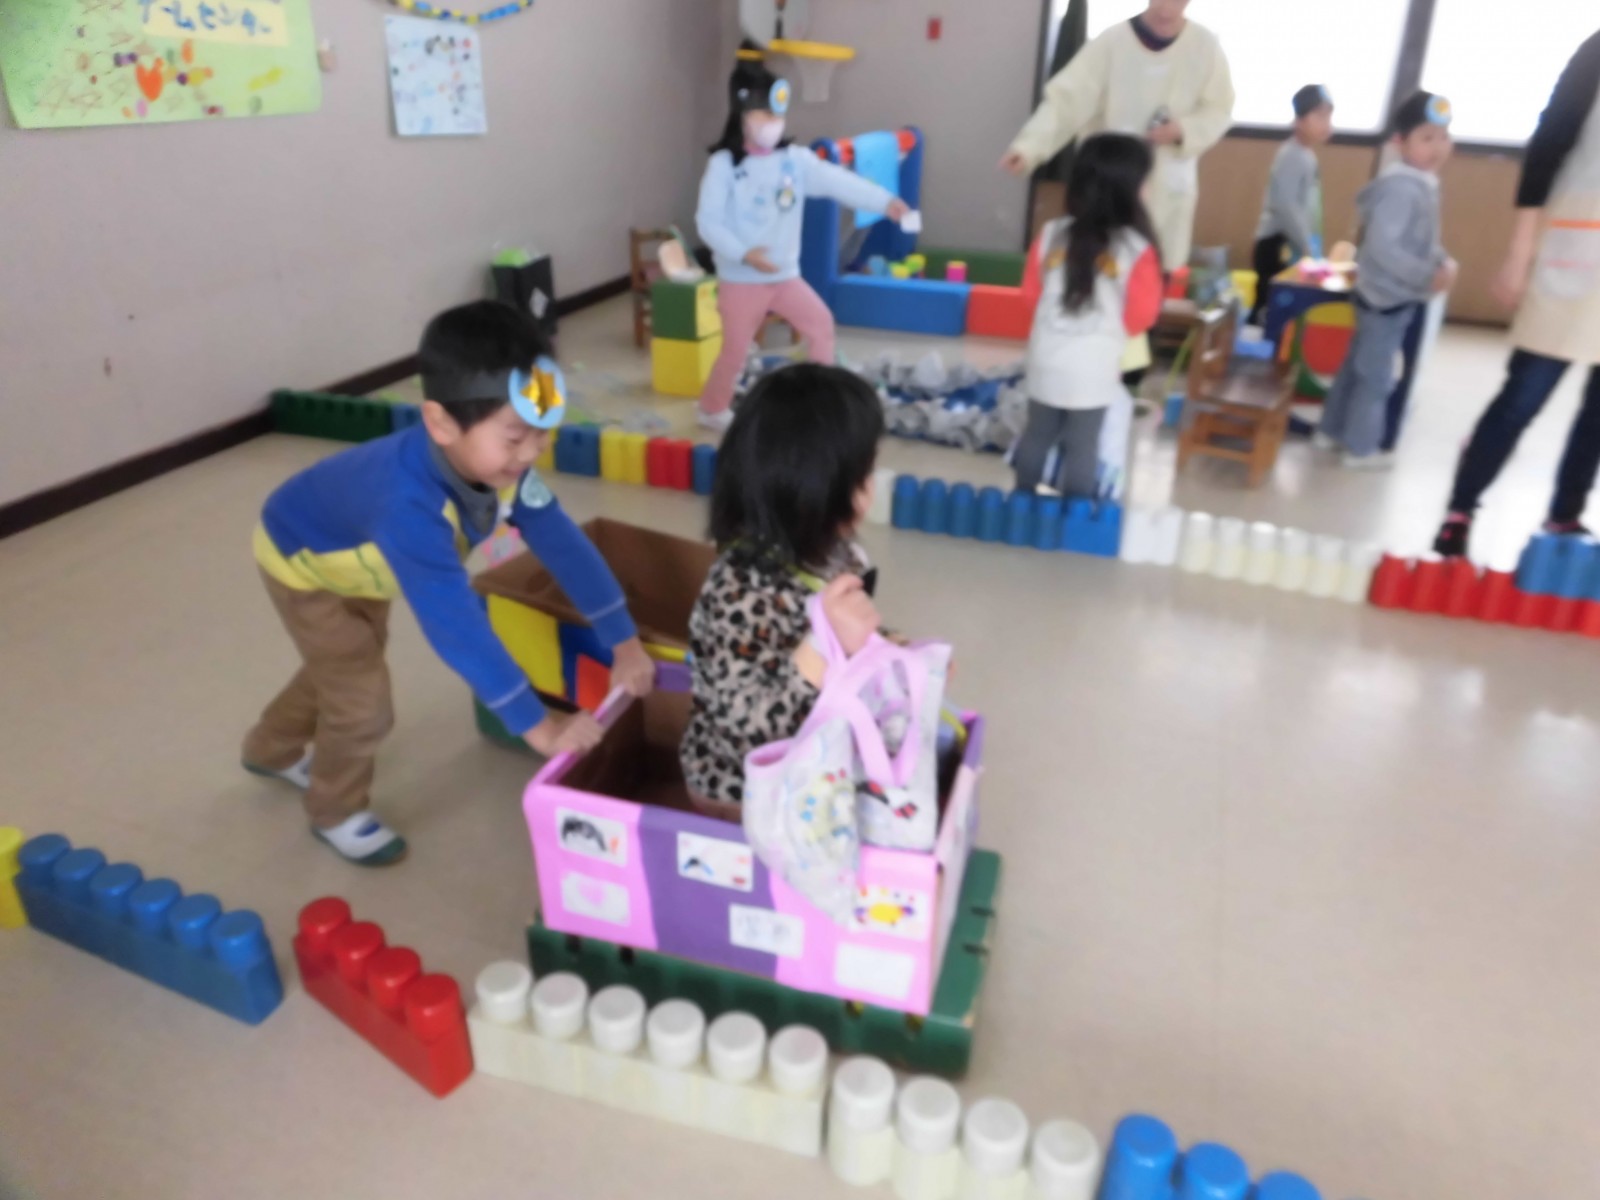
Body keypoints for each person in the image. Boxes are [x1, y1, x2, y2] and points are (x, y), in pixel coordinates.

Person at [243, 302, 655, 865]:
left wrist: (624, 641)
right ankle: (334, 810)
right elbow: (454, 623)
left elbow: (564, 544)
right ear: (440, 424)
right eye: (515, 438)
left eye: (542, 435)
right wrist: (537, 725)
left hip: (364, 567)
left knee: (340, 665)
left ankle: (269, 748)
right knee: (363, 703)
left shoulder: (503, 469)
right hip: (305, 563)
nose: (531, 453)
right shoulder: (408, 508)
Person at [679, 363, 885, 817]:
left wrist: (892, 650)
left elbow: (854, 628)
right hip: (739, 783)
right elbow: (748, 735)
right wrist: (820, 649)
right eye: (863, 473)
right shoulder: (739, 590)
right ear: (816, 489)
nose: (872, 485)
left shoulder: (838, 552)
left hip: (812, 747)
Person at [1434, 28, 1600, 558]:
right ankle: (1461, 508)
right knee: (1524, 395)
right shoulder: (1596, 50)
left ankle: (1565, 516)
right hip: (1576, 243)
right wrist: (1519, 251)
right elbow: (1548, 144)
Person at [695, 57, 910, 432]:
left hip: (784, 277)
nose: (773, 123)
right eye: (764, 115)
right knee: (735, 351)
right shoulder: (724, 165)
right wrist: (744, 254)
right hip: (741, 280)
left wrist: (884, 201)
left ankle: (819, 403)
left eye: (777, 115)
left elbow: (839, 182)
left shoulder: (795, 161)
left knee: (821, 325)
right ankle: (711, 409)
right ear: (742, 115)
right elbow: (708, 222)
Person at [1000, 0, 1235, 272]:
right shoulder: (1112, 42)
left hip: (1167, 183)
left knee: (1156, 268)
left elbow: (1219, 109)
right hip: (1110, 180)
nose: (1166, 9)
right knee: (1103, 268)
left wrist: (1183, 129)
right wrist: (1029, 147)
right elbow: (1066, 102)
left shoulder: (1205, 46)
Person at [1013, 133, 1164, 498]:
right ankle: (1075, 513)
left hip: (1046, 357)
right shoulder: (1136, 248)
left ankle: (1021, 501)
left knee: (1037, 434)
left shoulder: (1050, 233)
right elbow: (1142, 315)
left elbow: (1030, 297)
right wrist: (1110, 333)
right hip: (1094, 366)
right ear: (1129, 189)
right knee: (1083, 444)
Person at [1315, 91, 1457, 469]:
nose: (1438, 147)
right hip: (1386, 298)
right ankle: (1360, 449)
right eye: (1427, 138)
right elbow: (1383, 248)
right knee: (1375, 378)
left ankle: (1330, 431)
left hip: (1379, 293)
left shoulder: (1419, 181)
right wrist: (1427, 274)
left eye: (1444, 137)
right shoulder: (1402, 188)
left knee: (1355, 367)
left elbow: (1420, 239)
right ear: (1400, 142)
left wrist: (1441, 259)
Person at [1250, 85, 1335, 326]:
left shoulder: (1306, 154)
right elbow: (1286, 205)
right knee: (1269, 304)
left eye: (1329, 117)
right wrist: (1306, 245)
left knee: (1282, 307)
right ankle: (1255, 341)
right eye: (1320, 116)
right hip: (1277, 243)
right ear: (1299, 120)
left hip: (1291, 242)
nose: (1327, 124)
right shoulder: (1292, 154)